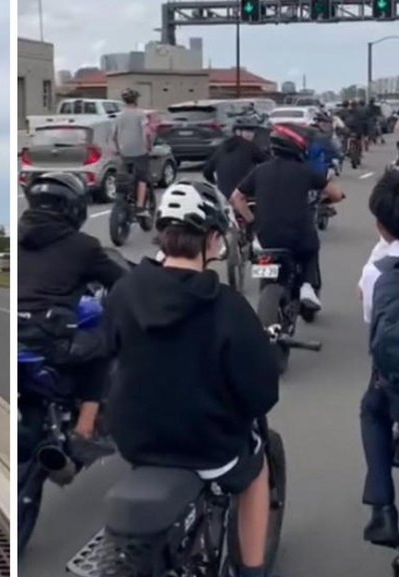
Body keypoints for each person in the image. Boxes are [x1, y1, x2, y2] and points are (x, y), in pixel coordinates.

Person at [105, 180, 279, 577]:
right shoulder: (228, 307)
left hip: (136, 438)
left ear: (163, 236)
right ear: (213, 239)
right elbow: (261, 393)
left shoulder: (124, 291)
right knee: (256, 467)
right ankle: (252, 569)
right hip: (207, 445)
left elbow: (109, 353)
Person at [18, 172, 125, 438]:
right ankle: (85, 427)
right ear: (73, 207)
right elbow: (124, 282)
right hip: (47, 337)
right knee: (104, 343)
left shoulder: (17, 239)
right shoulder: (83, 246)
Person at [231, 124, 345, 311]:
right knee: (311, 249)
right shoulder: (306, 171)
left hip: (265, 236)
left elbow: (236, 198)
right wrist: (326, 199)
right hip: (297, 236)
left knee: (264, 258)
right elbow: (337, 194)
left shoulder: (260, 170)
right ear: (298, 146)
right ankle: (308, 286)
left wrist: (252, 220)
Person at [358, 169, 399, 547]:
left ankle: (383, 509)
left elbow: (371, 324)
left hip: (393, 380)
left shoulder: (377, 270)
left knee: (372, 409)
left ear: (381, 226)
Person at [202, 116, 268, 202]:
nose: (251, 134)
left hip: (223, 197)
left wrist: (216, 183)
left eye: (252, 131)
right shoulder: (250, 146)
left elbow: (207, 171)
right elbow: (269, 163)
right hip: (244, 197)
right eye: (247, 131)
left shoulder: (222, 147)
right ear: (237, 132)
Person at [112, 88, 152, 219]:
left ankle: (126, 195)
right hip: (139, 151)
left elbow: (114, 135)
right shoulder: (140, 114)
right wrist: (148, 147)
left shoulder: (119, 116)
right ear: (136, 100)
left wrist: (118, 149)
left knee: (125, 175)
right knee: (142, 178)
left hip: (124, 152)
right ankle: (140, 206)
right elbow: (146, 133)